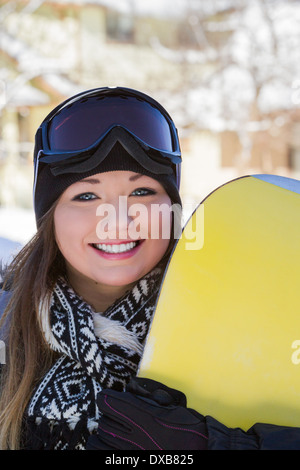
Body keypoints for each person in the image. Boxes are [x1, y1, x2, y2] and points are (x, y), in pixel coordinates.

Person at [1, 86, 300, 451]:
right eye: (86, 196)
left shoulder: (248, 314)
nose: (119, 221)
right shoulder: (7, 330)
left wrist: (209, 445)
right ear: (50, 217)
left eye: (142, 192)